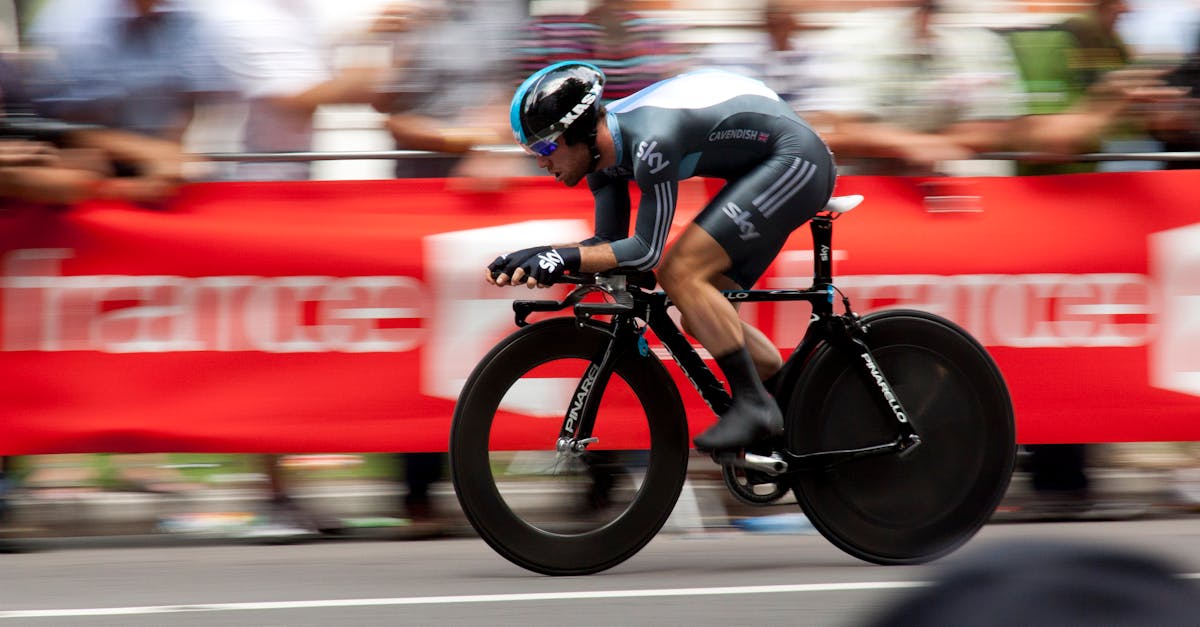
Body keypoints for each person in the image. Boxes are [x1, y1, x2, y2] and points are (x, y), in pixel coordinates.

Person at [488, 62, 836, 452]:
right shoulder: (601, 164)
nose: (541, 161)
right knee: (700, 313)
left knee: (680, 273)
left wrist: (560, 257)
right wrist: (538, 256)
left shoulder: (651, 140)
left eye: (547, 147)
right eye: (533, 151)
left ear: (580, 131)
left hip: (796, 160)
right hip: (762, 166)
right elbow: (608, 244)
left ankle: (754, 406)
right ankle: (804, 416)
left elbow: (645, 252)